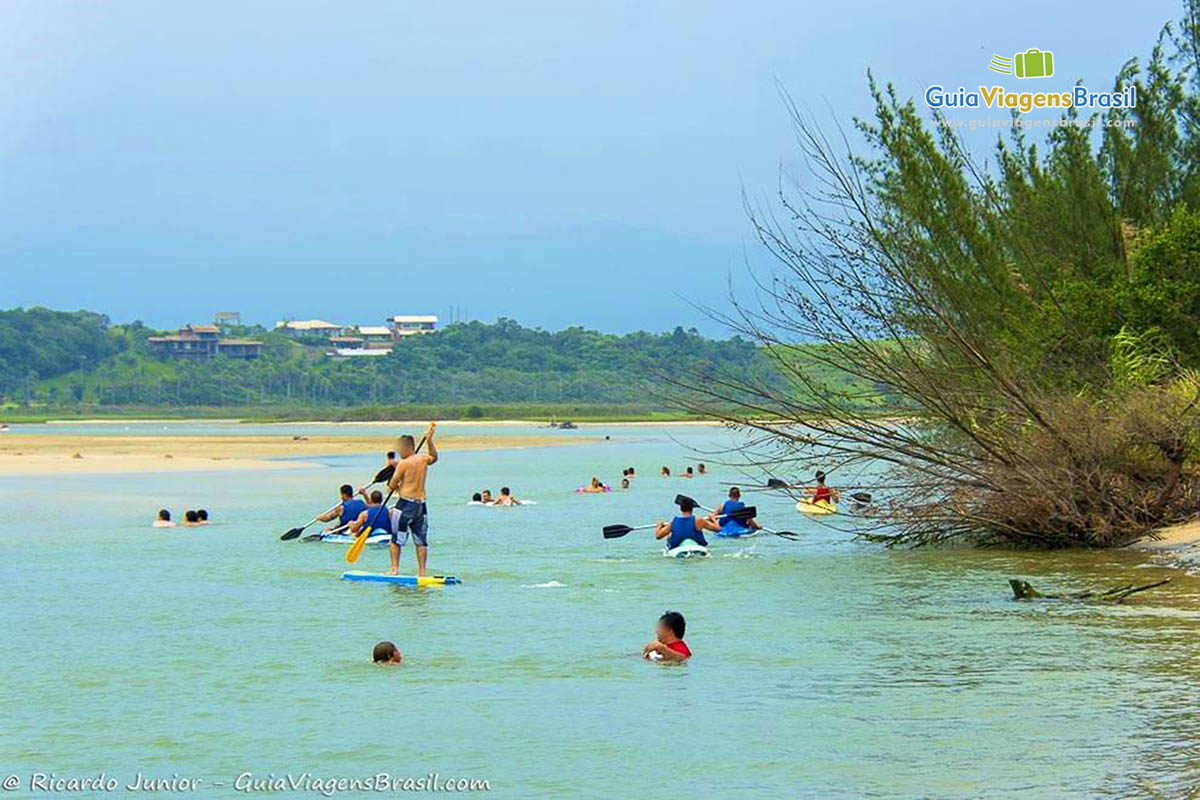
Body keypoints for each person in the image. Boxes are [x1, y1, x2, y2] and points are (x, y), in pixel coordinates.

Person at [386, 423, 438, 577]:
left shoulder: (403, 463)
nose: (399, 451)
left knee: (396, 539)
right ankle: (422, 572)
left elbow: (392, 484)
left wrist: (394, 486)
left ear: (409, 447)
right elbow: (434, 457)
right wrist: (429, 440)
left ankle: (394, 569)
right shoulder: (422, 459)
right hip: (421, 505)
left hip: (405, 505)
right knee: (420, 540)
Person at [655, 496, 720, 550]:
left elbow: (658, 536)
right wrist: (713, 519)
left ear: (681, 509)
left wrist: (659, 525)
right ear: (692, 509)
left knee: (669, 536)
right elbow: (718, 529)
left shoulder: (673, 522)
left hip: (678, 549)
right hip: (698, 547)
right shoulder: (699, 520)